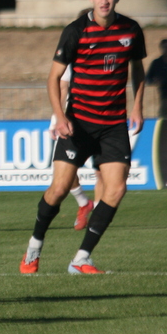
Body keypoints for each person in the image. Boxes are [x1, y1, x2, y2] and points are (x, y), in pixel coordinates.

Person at [19, 0, 146, 275]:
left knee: (116, 189)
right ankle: (34, 247)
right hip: (79, 122)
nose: (105, 0)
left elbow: (139, 71)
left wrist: (138, 107)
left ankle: (81, 259)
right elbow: (52, 79)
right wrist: (60, 116)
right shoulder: (76, 31)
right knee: (60, 189)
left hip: (114, 124)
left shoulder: (131, 29)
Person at [51, 64, 96, 231]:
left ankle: (98, 213)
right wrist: (56, 119)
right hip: (73, 120)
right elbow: (63, 88)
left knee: (101, 169)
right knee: (63, 171)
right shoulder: (70, 59)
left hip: (103, 118)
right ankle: (84, 203)